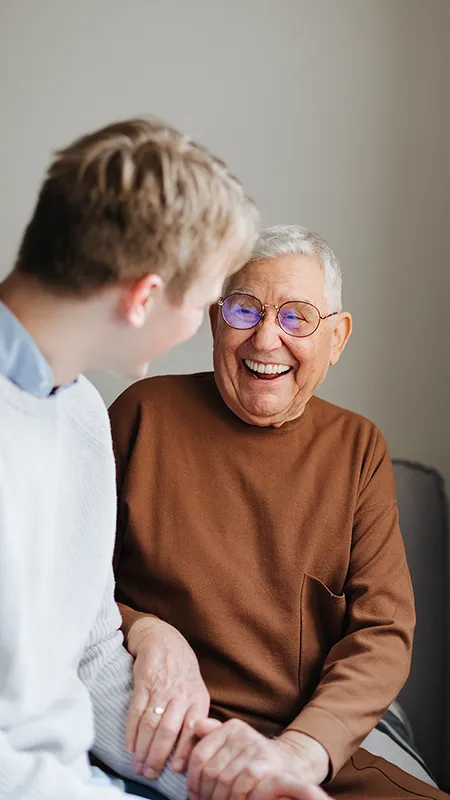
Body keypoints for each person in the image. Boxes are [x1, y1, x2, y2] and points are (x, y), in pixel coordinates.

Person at [109, 225, 449, 800]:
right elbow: (63, 588)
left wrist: (298, 753)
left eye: (297, 317)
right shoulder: (143, 415)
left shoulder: (358, 448)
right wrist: (147, 630)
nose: (266, 340)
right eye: (245, 311)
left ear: (337, 338)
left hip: (304, 741)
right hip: (164, 726)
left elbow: (382, 632)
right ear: (217, 321)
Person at [0, 116, 271, 800]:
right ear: (145, 296)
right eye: (210, 297)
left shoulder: (82, 414)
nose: (207, 318)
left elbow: (89, 651)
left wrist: (216, 772)